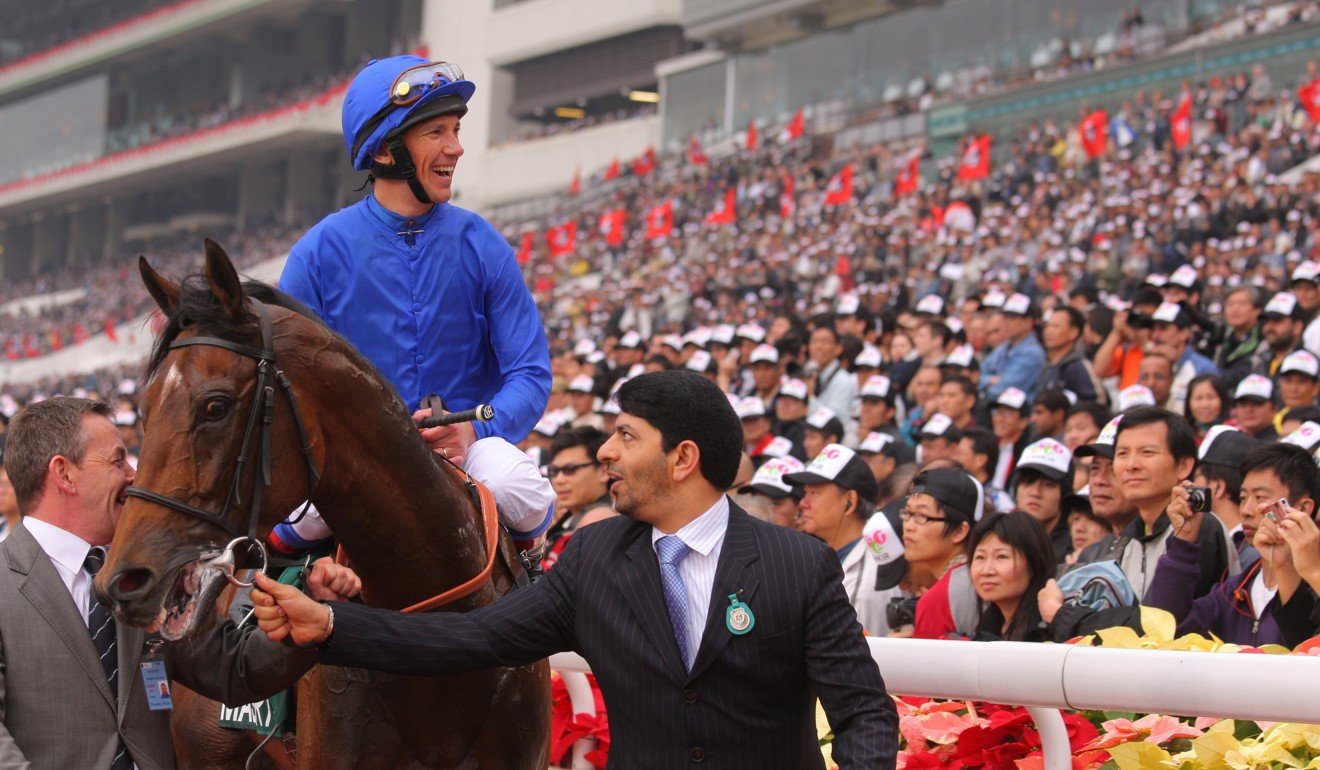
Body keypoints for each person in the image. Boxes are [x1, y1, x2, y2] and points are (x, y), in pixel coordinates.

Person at [251, 371, 900, 769]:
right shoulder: (594, 559)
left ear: (683, 459)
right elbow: (470, 639)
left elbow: (864, 715)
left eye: (626, 435)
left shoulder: (797, 564)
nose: (606, 452)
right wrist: (333, 626)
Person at [0, 398, 360, 769]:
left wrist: (316, 617)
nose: (134, 474)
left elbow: (236, 669)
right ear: (64, 474)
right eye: (117, 460)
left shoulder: (146, 576)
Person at [280, 56, 551, 454]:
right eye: (435, 132)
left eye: (455, 130)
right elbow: (289, 384)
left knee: (524, 493)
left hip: (471, 449)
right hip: (356, 460)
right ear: (386, 151)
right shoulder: (316, 255)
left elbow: (530, 374)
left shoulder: (485, 244)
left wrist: (476, 430)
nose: (455, 148)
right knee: (301, 520)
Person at [1040, 406, 1235, 641]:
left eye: (1147, 452)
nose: (1131, 464)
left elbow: (1158, 624)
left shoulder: (1198, 526)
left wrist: (1064, 616)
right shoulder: (1130, 538)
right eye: (1122, 454)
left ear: (1183, 465)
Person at [1147, 443, 1319, 646]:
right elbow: (1165, 628)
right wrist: (1183, 541)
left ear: (1302, 508)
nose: (1246, 510)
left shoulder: (1315, 583)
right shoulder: (1234, 591)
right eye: (1243, 497)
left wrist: (1304, 570)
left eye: (1260, 497)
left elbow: (1303, 645)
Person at [785, 444, 890, 634]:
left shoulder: (868, 578)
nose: (803, 503)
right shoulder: (822, 553)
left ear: (849, 501)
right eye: (805, 492)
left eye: (814, 493)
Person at [907, 468, 980, 640]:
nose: (909, 526)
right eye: (907, 514)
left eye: (922, 516)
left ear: (960, 531)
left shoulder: (937, 600)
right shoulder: (978, 576)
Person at [967, 512, 1056, 642]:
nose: (986, 571)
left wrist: (1057, 614)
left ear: (1033, 564)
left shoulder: (1050, 626)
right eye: (980, 557)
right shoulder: (988, 627)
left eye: (1001, 557)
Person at [544, 427, 615, 569]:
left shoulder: (598, 519)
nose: (559, 480)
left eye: (570, 470)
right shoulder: (574, 517)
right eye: (554, 471)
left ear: (603, 471)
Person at [1010, 437, 1075, 562]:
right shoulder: (1003, 539)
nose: (1035, 493)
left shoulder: (1072, 550)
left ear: (1065, 494)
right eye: (1028, 483)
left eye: (1048, 485)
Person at [1038, 306, 1103, 403]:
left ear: (1073, 332)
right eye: (1047, 326)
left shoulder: (1079, 366)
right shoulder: (1047, 363)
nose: (1048, 331)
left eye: (1055, 326)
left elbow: (1097, 403)